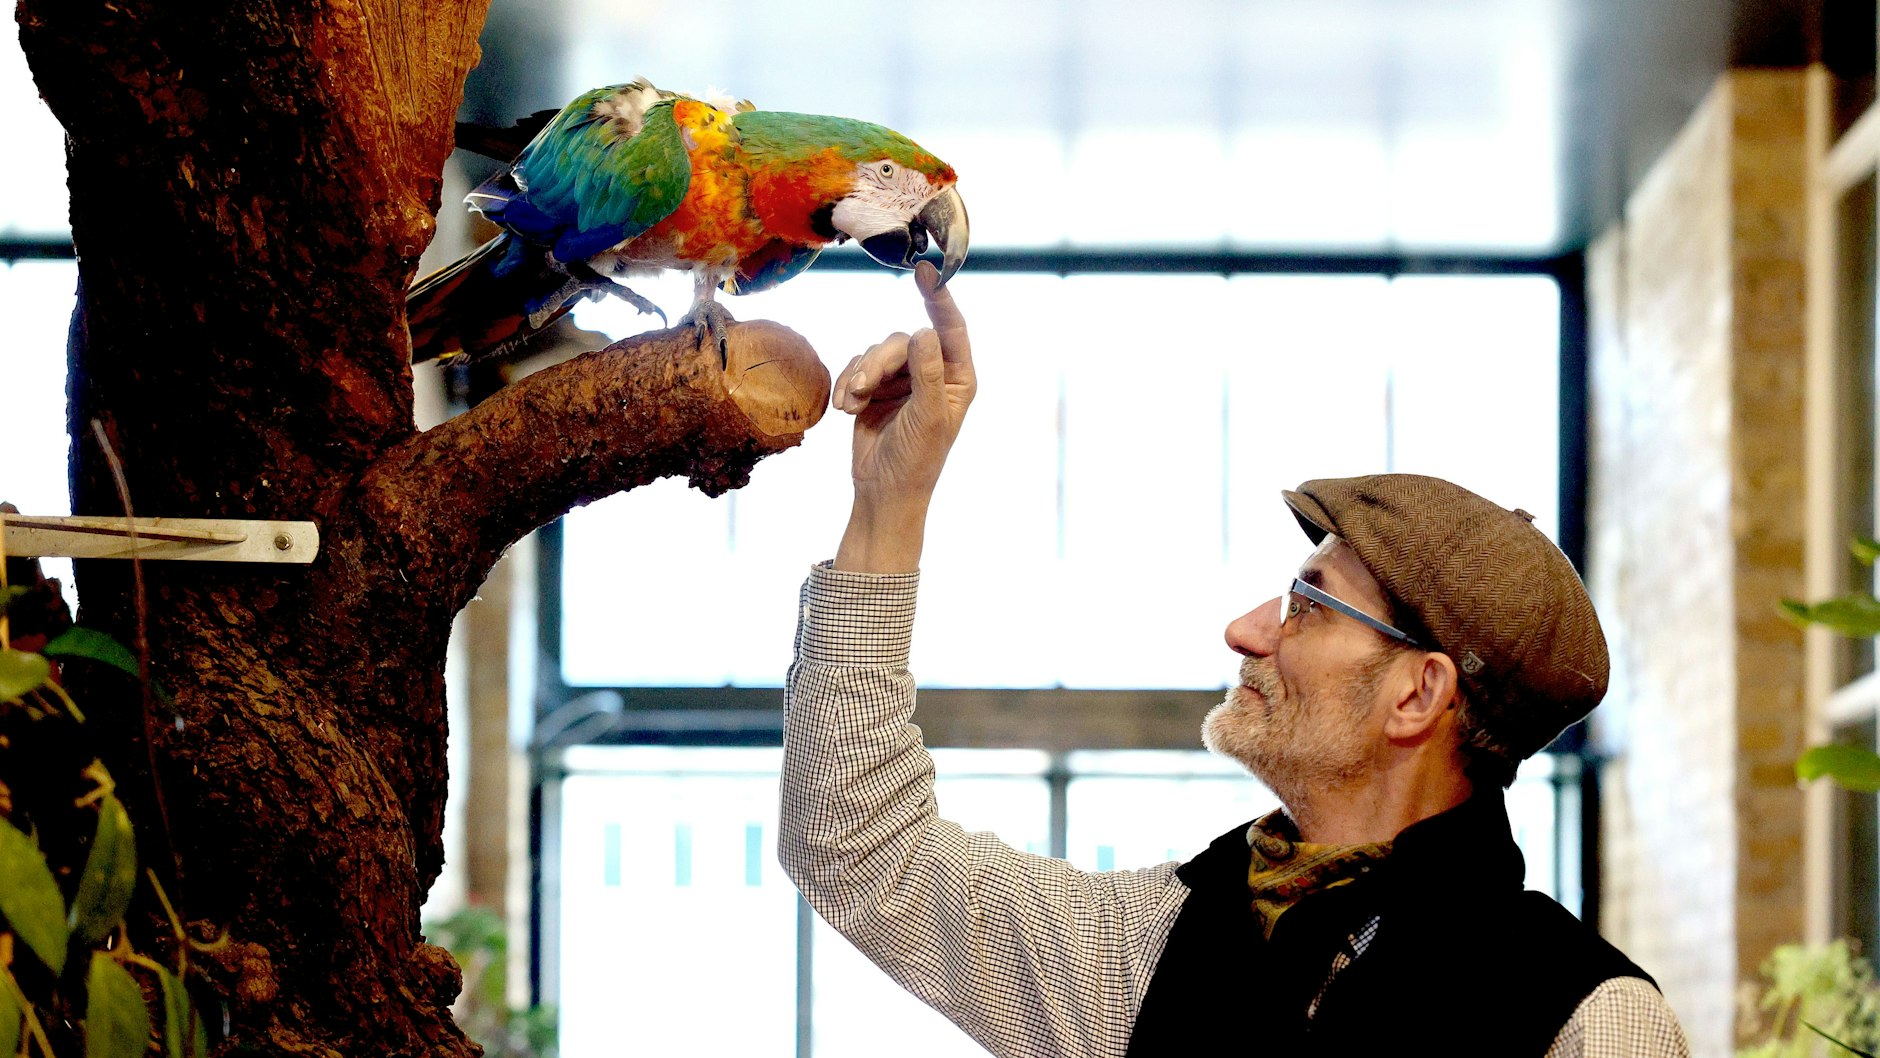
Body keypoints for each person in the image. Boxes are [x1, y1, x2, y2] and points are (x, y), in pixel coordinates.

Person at [778, 262, 1690, 1056]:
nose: (1246, 630)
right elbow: (860, 849)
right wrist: (887, 508)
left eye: (1308, 603)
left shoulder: (1586, 1019)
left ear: (1418, 692)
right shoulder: (1151, 945)